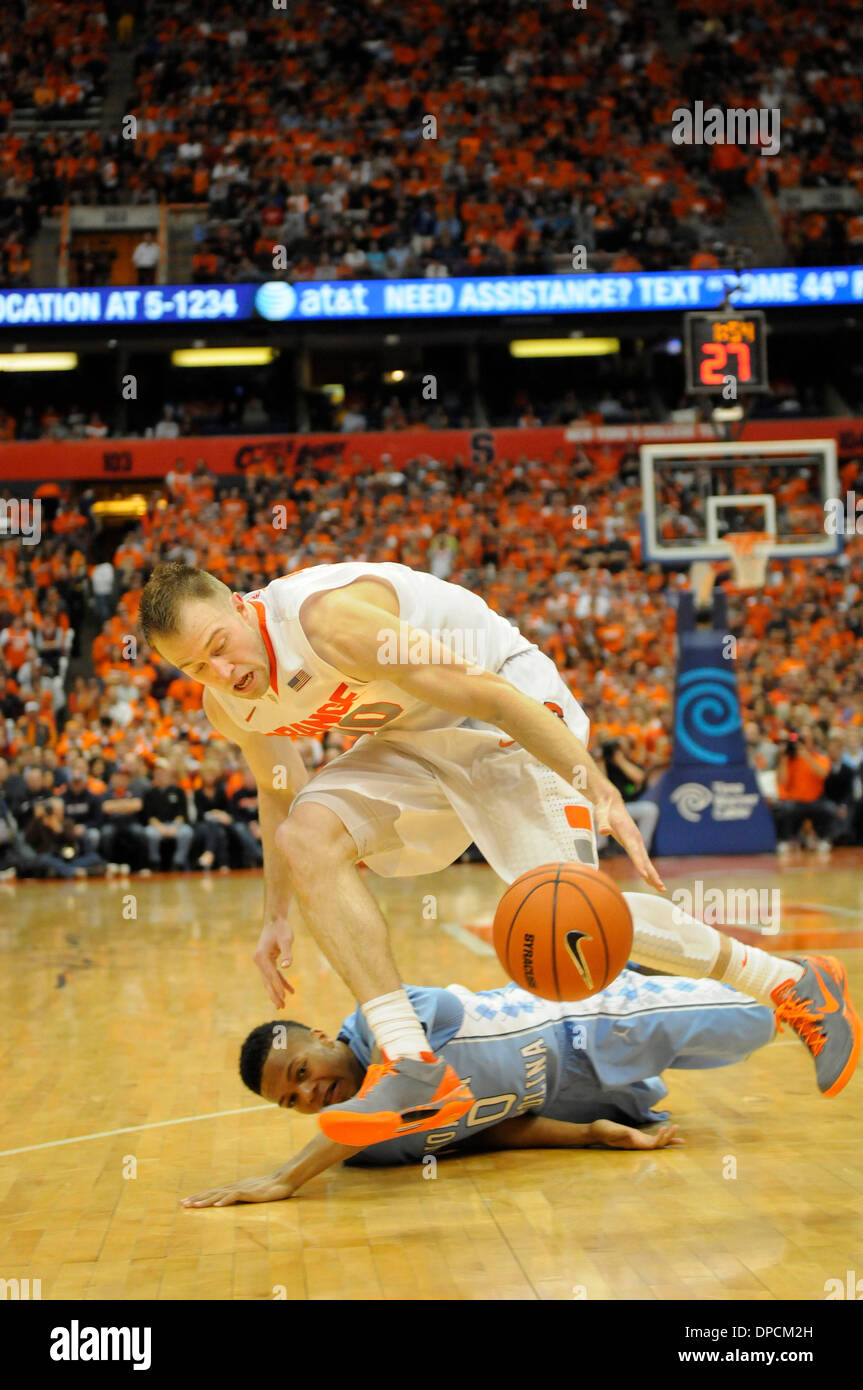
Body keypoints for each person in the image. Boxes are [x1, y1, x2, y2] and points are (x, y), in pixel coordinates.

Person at [138, 561, 861, 1151]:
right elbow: (277, 796)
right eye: (194, 667)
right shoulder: (227, 704)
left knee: (573, 913)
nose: (221, 670)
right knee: (307, 835)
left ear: (239, 603)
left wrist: (599, 785)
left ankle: (792, 982)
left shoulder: (329, 623)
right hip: (410, 742)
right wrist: (276, 916)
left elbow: (485, 695)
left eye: (219, 644)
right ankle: (413, 1063)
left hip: (503, 708)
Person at [182, 969, 774, 1206]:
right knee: (731, 1049)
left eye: (301, 1073)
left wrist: (288, 1178)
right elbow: (491, 1131)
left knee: (758, 1020)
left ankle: (803, 979)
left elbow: (396, 1086)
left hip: (586, 1020)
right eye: (292, 1101)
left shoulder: (379, 1016)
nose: (308, 1096)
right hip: (580, 1092)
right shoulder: (370, 1148)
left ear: (318, 1036)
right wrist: (589, 1134)